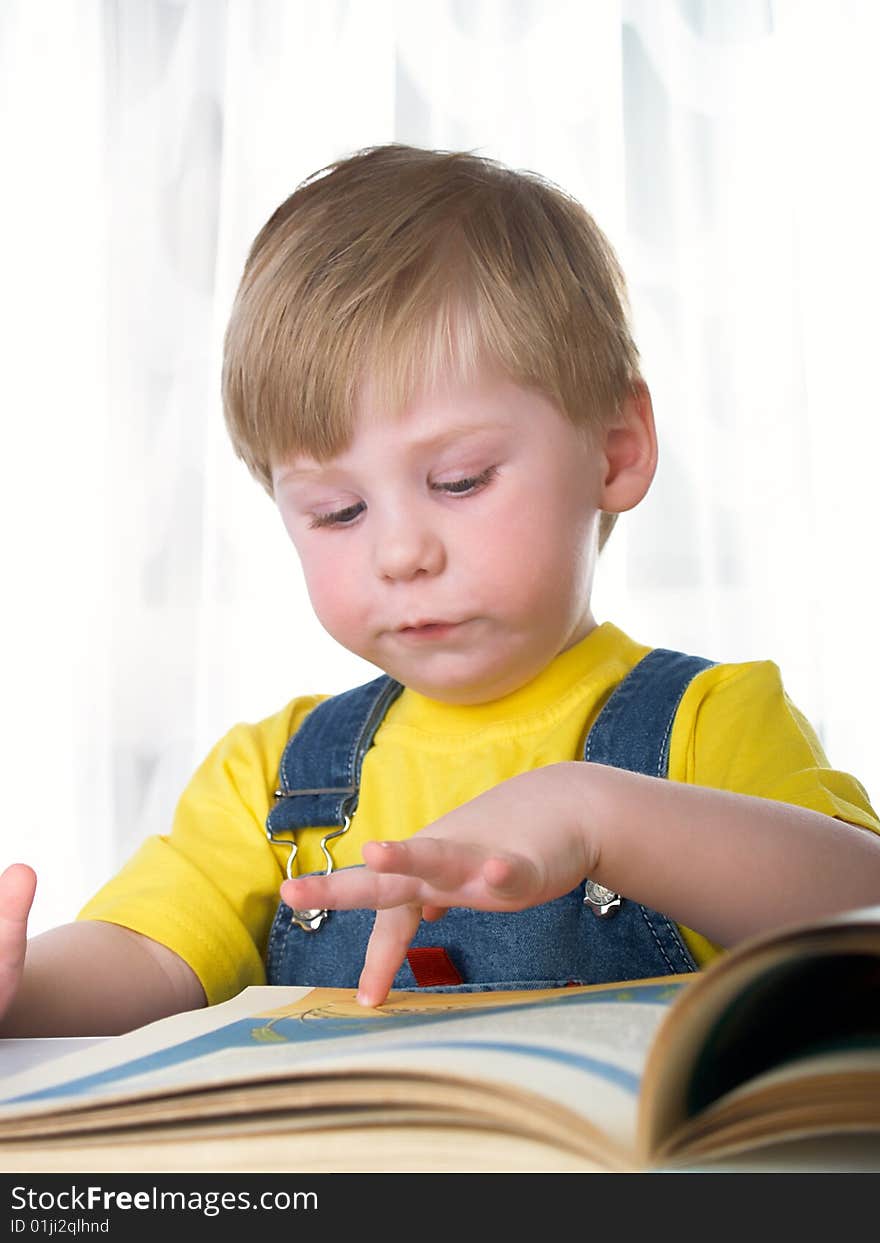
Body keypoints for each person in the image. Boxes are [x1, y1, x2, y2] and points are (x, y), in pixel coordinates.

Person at [2, 143, 879, 1036]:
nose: (401, 551)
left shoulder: (710, 722)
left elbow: (860, 925)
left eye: (459, 481)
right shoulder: (269, 778)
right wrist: (22, 993)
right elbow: (143, 955)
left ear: (616, 447)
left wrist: (597, 812)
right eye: (338, 510)